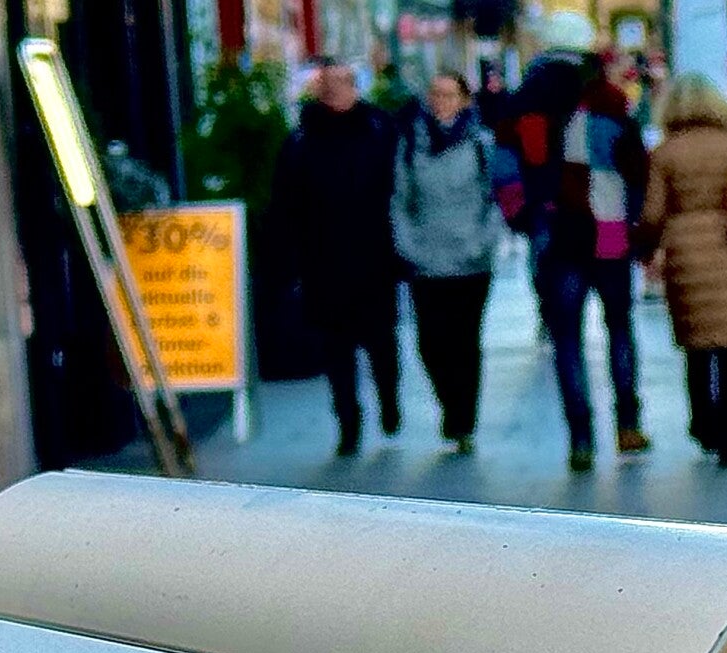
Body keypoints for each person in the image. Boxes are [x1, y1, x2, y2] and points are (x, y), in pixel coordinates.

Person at [495, 9, 650, 473]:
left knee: (567, 338)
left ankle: (581, 437)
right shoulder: (606, 99)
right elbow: (636, 168)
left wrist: (524, 217)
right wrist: (634, 219)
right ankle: (628, 424)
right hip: (608, 231)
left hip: (555, 233)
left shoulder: (524, 102)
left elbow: (504, 169)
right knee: (619, 327)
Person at [273, 59, 402, 456]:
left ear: (355, 88)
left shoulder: (379, 130)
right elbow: (285, 205)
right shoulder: (301, 140)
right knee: (336, 349)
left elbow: (399, 189)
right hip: (323, 263)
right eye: (326, 84)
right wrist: (287, 259)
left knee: (382, 343)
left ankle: (389, 401)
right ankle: (348, 422)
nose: (332, 91)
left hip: (375, 260)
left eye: (341, 83)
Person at [639, 74, 727, 469]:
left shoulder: (665, 153)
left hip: (686, 254)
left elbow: (653, 213)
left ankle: (705, 425)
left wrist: (645, 248)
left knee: (697, 346)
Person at [393, 72, 505, 454]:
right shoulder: (412, 144)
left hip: (472, 261)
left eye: (448, 94)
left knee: (464, 341)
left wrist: (483, 242)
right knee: (430, 343)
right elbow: (400, 201)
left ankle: (462, 420)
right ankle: (449, 403)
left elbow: (497, 199)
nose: (440, 101)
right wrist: (409, 247)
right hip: (427, 261)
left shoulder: (481, 144)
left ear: (464, 100)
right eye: (435, 94)